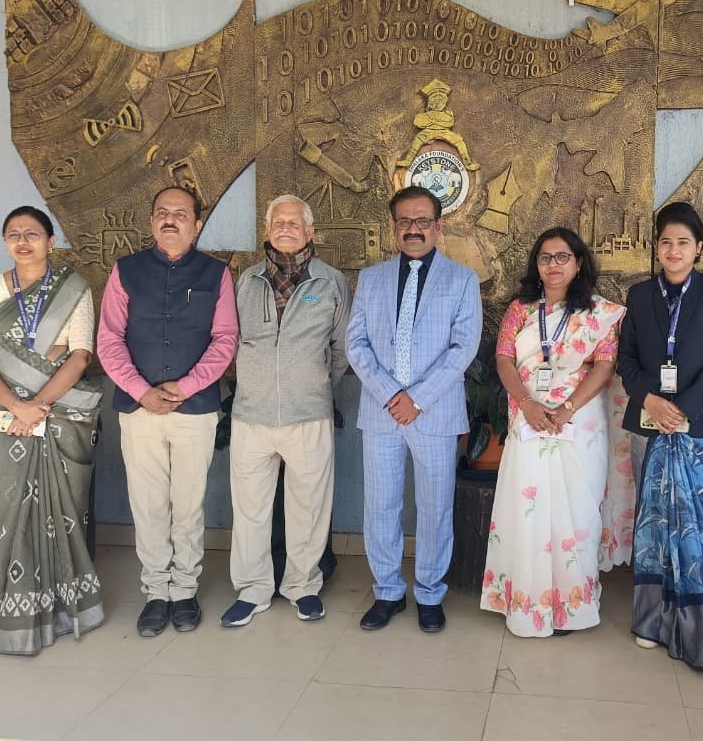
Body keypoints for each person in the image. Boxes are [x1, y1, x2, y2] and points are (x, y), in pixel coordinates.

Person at [0, 206, 105, 656]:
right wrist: (16, 406)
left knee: (60, 511)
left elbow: (80, 355)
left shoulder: (75, 288)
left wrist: (38, 406)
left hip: (57, 412)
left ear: (50, 240)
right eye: (14, 234)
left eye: (32, 233)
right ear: (6, 241)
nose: (23, 242)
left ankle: (59, 610)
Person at [98, 186, 238, 638]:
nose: (170, 219)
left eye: (180, 213)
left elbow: (225, 340)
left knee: (188, 504)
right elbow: (108, 339)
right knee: (148, 504)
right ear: (151, 221)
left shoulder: (217, 273)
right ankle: (156, 592)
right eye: (162, 212)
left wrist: (185, 386)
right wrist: (141, 391)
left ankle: (185, 591)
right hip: (139, 409)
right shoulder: (126, 271)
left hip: (194, 409)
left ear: (197, 224)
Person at [347, 185, 482, 632]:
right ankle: (387, 591)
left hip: (434, 413)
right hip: (382, 411)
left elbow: (464, 348)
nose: (413, 229)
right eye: (404, 221)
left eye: (422, 221)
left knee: (435, 507)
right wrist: (391, 394)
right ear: (393, 227)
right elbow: (356, 343)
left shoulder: (462, 280)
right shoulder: (371, 279)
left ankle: (429, 593)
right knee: (380, 506)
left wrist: (417, 398)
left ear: (438, 226)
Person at [480, 228, 625, 637]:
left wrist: (566, 409)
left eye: (563, 257)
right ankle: (529, 604)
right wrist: (528, 404)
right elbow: (504, 358)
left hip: (579, 422)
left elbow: (605, 365)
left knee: (578, 510)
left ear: (578, 263)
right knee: (528, 507)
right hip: (528, 417)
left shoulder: (598, 313)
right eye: (545, 258)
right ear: (536, 265)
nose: (553, 265)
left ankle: (572, 606)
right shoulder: (520, 309)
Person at [618, 202, 703, 667]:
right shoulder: (639, 295)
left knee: (702, 526)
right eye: (666, 242)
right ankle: (652, 620)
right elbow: (627, 358)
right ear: (656, 246)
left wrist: (684, 406)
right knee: (654, 523)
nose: (674, 250)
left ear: (699, 248)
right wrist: (649, 399)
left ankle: (702, 626)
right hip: (650, 423)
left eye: (683, 243)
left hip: (702, 427)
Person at [222, 194, 350, 627]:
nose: (286, 228)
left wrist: (315, 386)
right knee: (250, 509)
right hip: (251, 415)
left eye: (295, 222)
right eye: (278, 221)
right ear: (267, 228)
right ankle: (253, 589)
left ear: (310, 231)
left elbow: (341, 349)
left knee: (308, 507)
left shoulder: (331, 282)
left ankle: (303, 586)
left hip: (308, 413)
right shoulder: (246, 281)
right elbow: (229, 343)